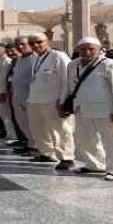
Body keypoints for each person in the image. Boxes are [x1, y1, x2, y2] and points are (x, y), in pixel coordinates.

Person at [67, 37, 113, 181]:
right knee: (86, 138)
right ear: (78, 50)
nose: (87, 52)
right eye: (83, 49)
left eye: (91, 49)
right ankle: (94, 164)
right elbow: (70, 87)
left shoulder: (110, 65)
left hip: (106, 110)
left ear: (99, 49)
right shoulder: (73, 65)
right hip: (82, 108)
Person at [26, 33, 74, 170]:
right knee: (39, 128)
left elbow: (67, 79)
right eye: (32, 43)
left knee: (60, 130)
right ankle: (46, 153)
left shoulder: (58, 56)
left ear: (47, 41)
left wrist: (63, 100)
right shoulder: (34, 58)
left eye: (39, 42)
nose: (35, 45)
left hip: (53, 100)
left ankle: (67, 157)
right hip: (35, 99)